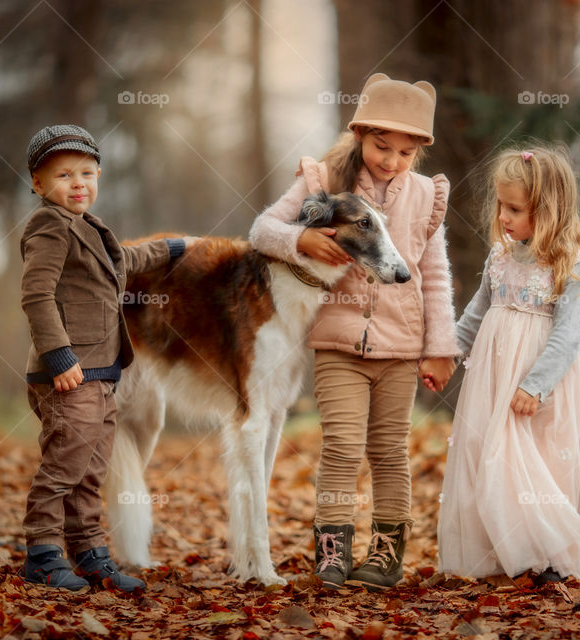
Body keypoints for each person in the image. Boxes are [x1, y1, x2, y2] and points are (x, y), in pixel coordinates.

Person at [249, 73, 460, 591]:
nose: (391, 160)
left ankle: (386, 556)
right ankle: (332, 552)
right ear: (361, 134)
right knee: (342, 446)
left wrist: (440, 348)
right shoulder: (323, 184)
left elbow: (435, 275)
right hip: (338, 342)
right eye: (381, 146)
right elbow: (261, 231)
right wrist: (303, 240)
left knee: (389, 451)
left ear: (419, 154)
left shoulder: (426, 198)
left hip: (400, 347)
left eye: (405, 152)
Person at [437, 144, 580, 585]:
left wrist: (536, 384)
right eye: (502, 205)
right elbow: (475, 315)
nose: (504, 216)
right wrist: (446, 353)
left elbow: (568, 335)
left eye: (515, 209)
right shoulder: (499, 257)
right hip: (493, 380)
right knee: (493, 461)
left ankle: (551, 556)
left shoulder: (571, 265)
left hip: (542, 383)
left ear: (549, 210)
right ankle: (505, 551)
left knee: (538, 466)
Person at [19, 124, 191, 592]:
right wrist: (59, 357)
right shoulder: (47, 227)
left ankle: (90, 552)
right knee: (64, 466)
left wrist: (174, 248)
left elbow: (126, 261)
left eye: (88, 173)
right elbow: (37, 296)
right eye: (64, 175)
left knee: (93, 468)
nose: (78, 183)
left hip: (102, 374)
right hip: (67, 375)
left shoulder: (90, 227)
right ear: (38, 184)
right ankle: (42, 553)